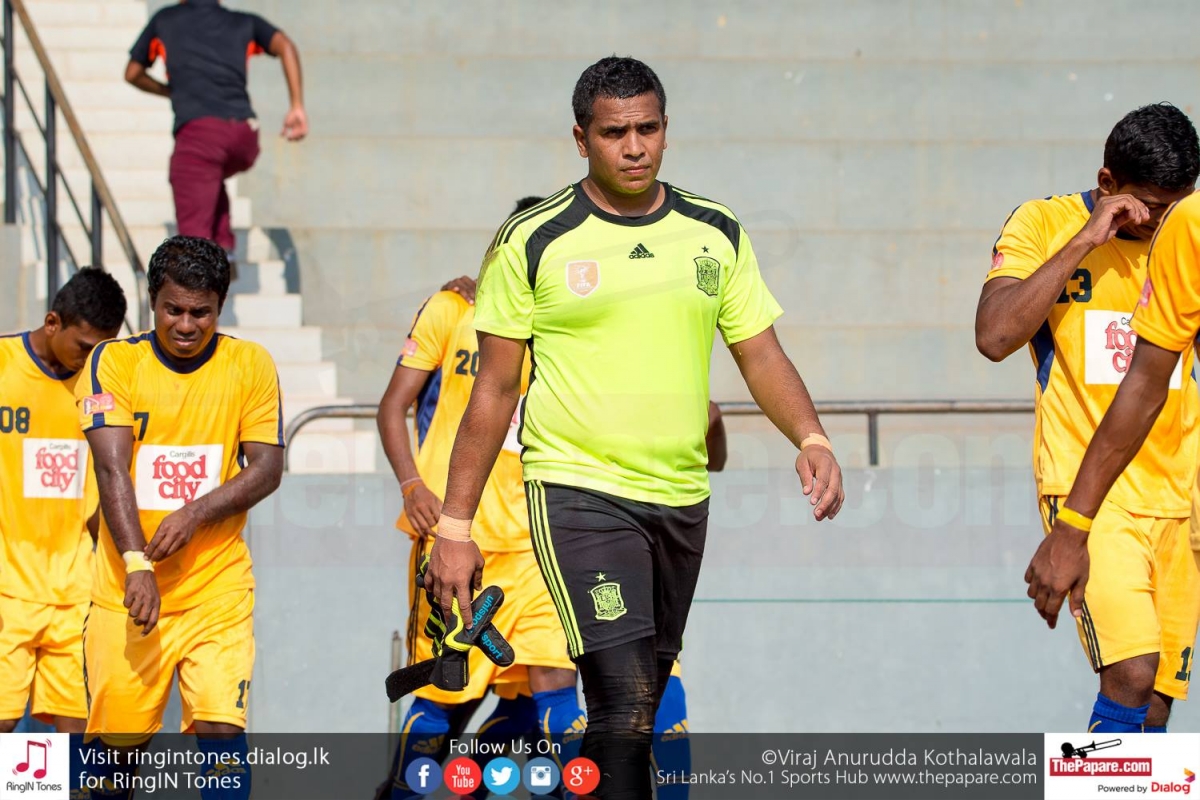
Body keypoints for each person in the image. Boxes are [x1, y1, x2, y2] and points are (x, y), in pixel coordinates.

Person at [427, 57, 844, 799]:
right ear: (580, 139)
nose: (634, 147)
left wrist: (811, 438)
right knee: (621, 698)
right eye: (614, 133)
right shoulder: (535, 237)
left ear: (666, 130)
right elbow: (493, 389)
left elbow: (760, 353)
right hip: (577, 492)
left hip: (681, 496)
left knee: (642, 702)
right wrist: (455, 526)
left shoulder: (714, 231)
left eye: (647, 129)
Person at [976, 103, 1200, 732]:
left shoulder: (1186, 239)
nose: (1164, 222)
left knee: (1156, 701)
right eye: (1151, 208)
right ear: (1107, 183)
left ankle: (1108, 775)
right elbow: (994, 336)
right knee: (1131, 671)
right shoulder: (1044, 222)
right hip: (1088, 491)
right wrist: (1084, 240)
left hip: (1179, 496)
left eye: (1179, 206)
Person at [376, 199, 587, 800]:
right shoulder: (453, 311)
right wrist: (413, 485)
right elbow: (393, 406)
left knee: (553, 690)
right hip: (458, 542)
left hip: (541, 547)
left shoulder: (572, 330)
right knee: (445, 694)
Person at [77, 236, 284, 800]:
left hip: (217, 590)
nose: (187, 325)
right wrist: (137, 563)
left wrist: (194, 513)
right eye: (174, 310)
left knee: (223, 735)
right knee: (115, 756)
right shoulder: (114, 363)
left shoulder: (250, 364)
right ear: (152, 302)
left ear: (220, 307)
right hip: (126, 590)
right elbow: (112, 470)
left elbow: (267, 468)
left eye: (202, 312)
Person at [0, 268, 126, 740]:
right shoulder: (4, 365)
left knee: (73, 722)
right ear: (53, 322)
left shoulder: (102, 390)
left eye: (103, 349)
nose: (93, 359)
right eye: (85, 346)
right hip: (7, 588)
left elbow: (100, 490)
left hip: (74, 590)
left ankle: (42, 783)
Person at [124, 0, 308, 265]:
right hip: (244, 135)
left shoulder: (166, 19)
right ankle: (224, 247)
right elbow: (286, 45)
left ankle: (206, 261)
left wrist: (169, 91)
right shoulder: (244, 21)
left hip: (201, 133)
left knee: (192, 237)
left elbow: (132, 73)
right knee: (209, 173)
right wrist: (297, 106)